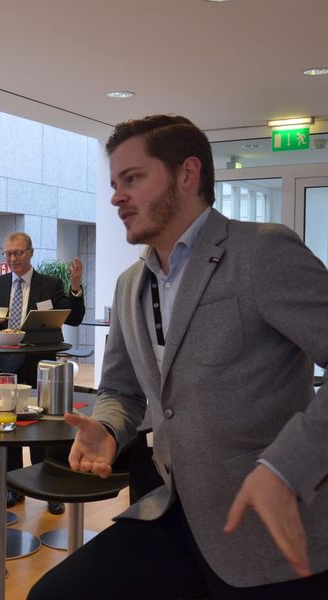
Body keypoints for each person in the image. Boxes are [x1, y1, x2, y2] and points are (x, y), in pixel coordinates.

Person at [28, 115, 328, 599]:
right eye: (114, 184)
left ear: (188, 173)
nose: (117, 197)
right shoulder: (130, 284)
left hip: (270, 531)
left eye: (132, 178)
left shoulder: (261, 252)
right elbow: (121, 389)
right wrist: (108, 426)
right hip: (171, 512)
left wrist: (286, 467)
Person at [0, 231, 85, 514]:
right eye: (8, 253)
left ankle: (49, 489)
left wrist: (75, 286)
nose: (12, 258)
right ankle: (14, 487)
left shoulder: (50, 284)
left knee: (43, 427)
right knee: (8, 424)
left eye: (18, 253)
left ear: (30, 253)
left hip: (40, 365)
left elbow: (73, 318)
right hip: (6, 364)